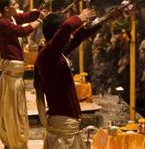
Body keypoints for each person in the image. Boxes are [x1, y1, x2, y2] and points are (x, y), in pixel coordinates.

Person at [34, 9, 121, 149]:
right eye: (68, 35)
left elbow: (79, 35)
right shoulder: (48, 55)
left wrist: (105, 19)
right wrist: (80, 17)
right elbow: (66, 29)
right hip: (62, 128)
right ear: (58, 35)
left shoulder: (56, 54)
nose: (71, 37)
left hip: (67, 125)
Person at [0, 0, 44, 149]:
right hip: (11, 73)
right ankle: (13, 140)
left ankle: (14, 140)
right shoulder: (1, 23)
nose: (17, 5)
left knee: (17, 109)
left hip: (16, 72)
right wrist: (39, 21)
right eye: (14, 3)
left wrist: (39, 12)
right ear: (7, 8)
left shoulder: (11, 17)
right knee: (12, 111)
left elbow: (24, 17)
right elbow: (21, 31)